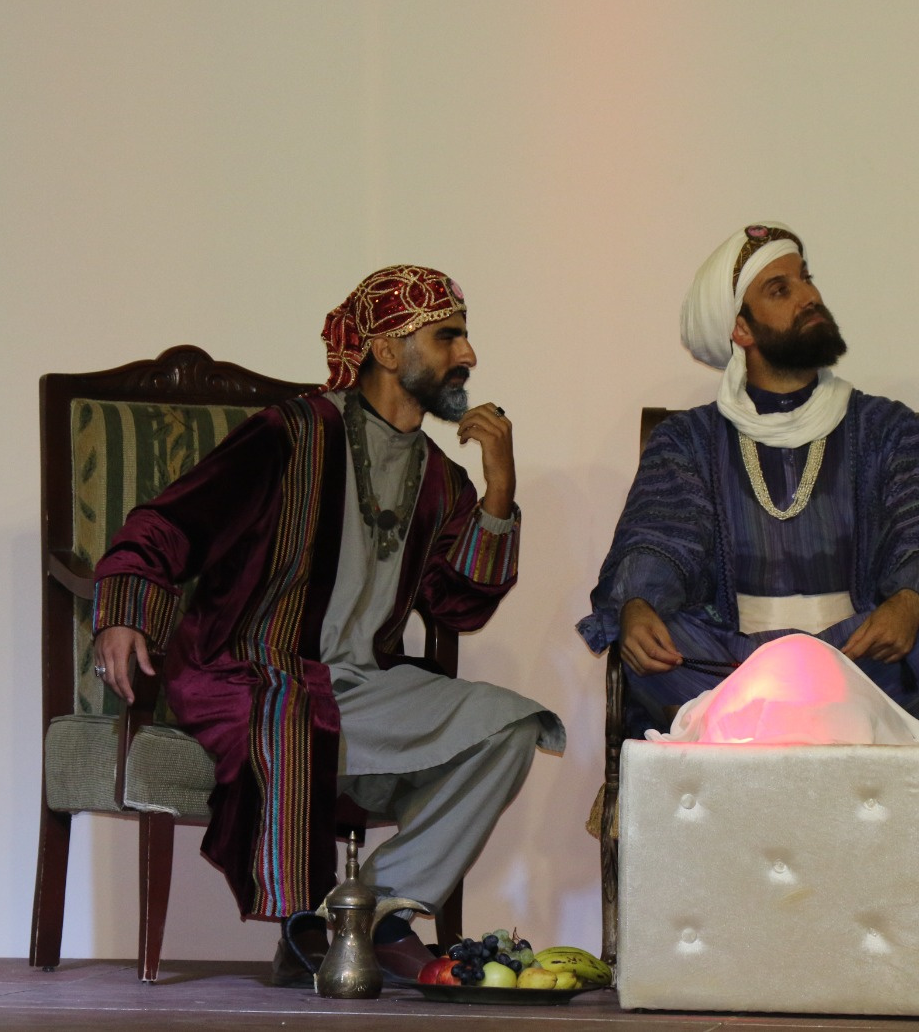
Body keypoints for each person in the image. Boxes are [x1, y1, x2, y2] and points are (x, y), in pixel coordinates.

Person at [90, 264, 564, 985]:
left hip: (363, 689)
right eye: (447, 337)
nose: (468, 354)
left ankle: (373, 914)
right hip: (250, 670)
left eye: (464, 338)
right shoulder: (290, 433)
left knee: (514, 728)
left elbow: (457, 606)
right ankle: (308, 923)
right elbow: (171, 522)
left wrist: (500, 492)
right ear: (386, 349)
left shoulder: (442, 478)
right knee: (290, 713)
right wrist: (126, 610)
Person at [577, 222, 919, 742]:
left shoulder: (886, 427)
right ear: (742, 330)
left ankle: (762, 722)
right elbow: (657, 539)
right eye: (781, 289)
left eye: (806, 279)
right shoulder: (688, 440)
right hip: (731, 657)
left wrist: (908, 605)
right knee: (649, 647)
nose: (808, 296)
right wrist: (638, 606)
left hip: (855, 653)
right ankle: (822, 721)